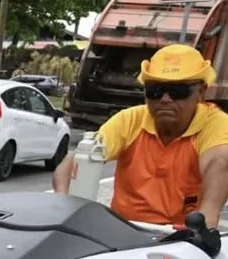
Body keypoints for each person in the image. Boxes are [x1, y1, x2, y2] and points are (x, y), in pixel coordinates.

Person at [52, 44, 228, 228]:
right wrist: (64, 205)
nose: (165, 99)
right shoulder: (130, 120)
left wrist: (205, 224)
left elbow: (220, 163)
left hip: (182, 238)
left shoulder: (216, 124)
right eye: (155, 90)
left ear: (201, 92)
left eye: (178, 91)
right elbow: (78, 159)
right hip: (124, 232)